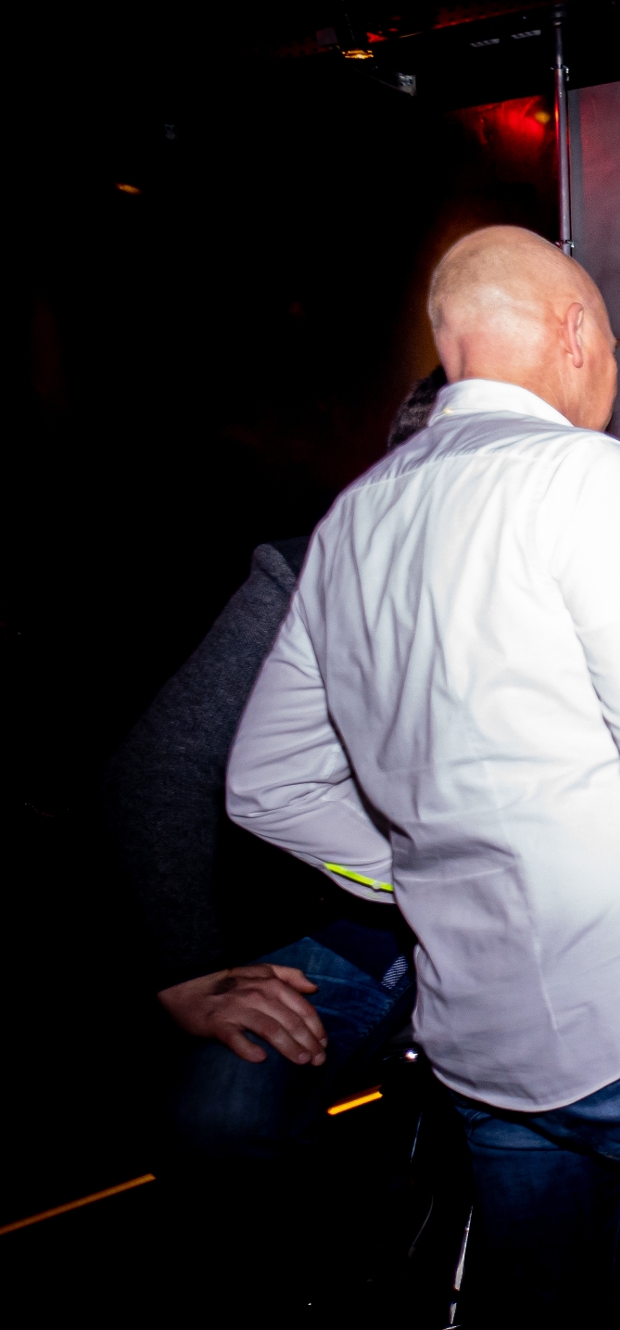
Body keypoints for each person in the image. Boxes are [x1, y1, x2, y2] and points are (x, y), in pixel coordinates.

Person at [225, 226, 620, 1327]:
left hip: (482, 1041)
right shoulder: (582, 472)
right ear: (573, 331)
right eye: (610, 343)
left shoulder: (353, 522)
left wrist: (426, 873)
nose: (609, 367)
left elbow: (267, 781)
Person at [108, 370, 445, 1177]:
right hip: (364, 925)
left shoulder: (556, 580)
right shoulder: (310, 577)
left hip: (526, 919)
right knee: (220, 1119)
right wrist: (188, 971)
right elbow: (162, 766)